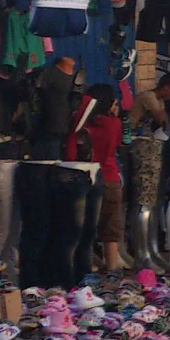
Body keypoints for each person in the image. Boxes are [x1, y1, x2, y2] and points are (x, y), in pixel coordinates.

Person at [67, 85, 128, 271]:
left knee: (85, 227)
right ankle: (111, 268)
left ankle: (89, 264)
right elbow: (118, 143)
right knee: (111, 229)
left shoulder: (80, 124)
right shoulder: (114, 124)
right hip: (110, 177)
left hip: (86, 175)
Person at [30, 55, 80, 159]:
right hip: (48, 128)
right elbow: (35, 99)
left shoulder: (78, 77)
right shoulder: (48, 74)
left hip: (67, 129)